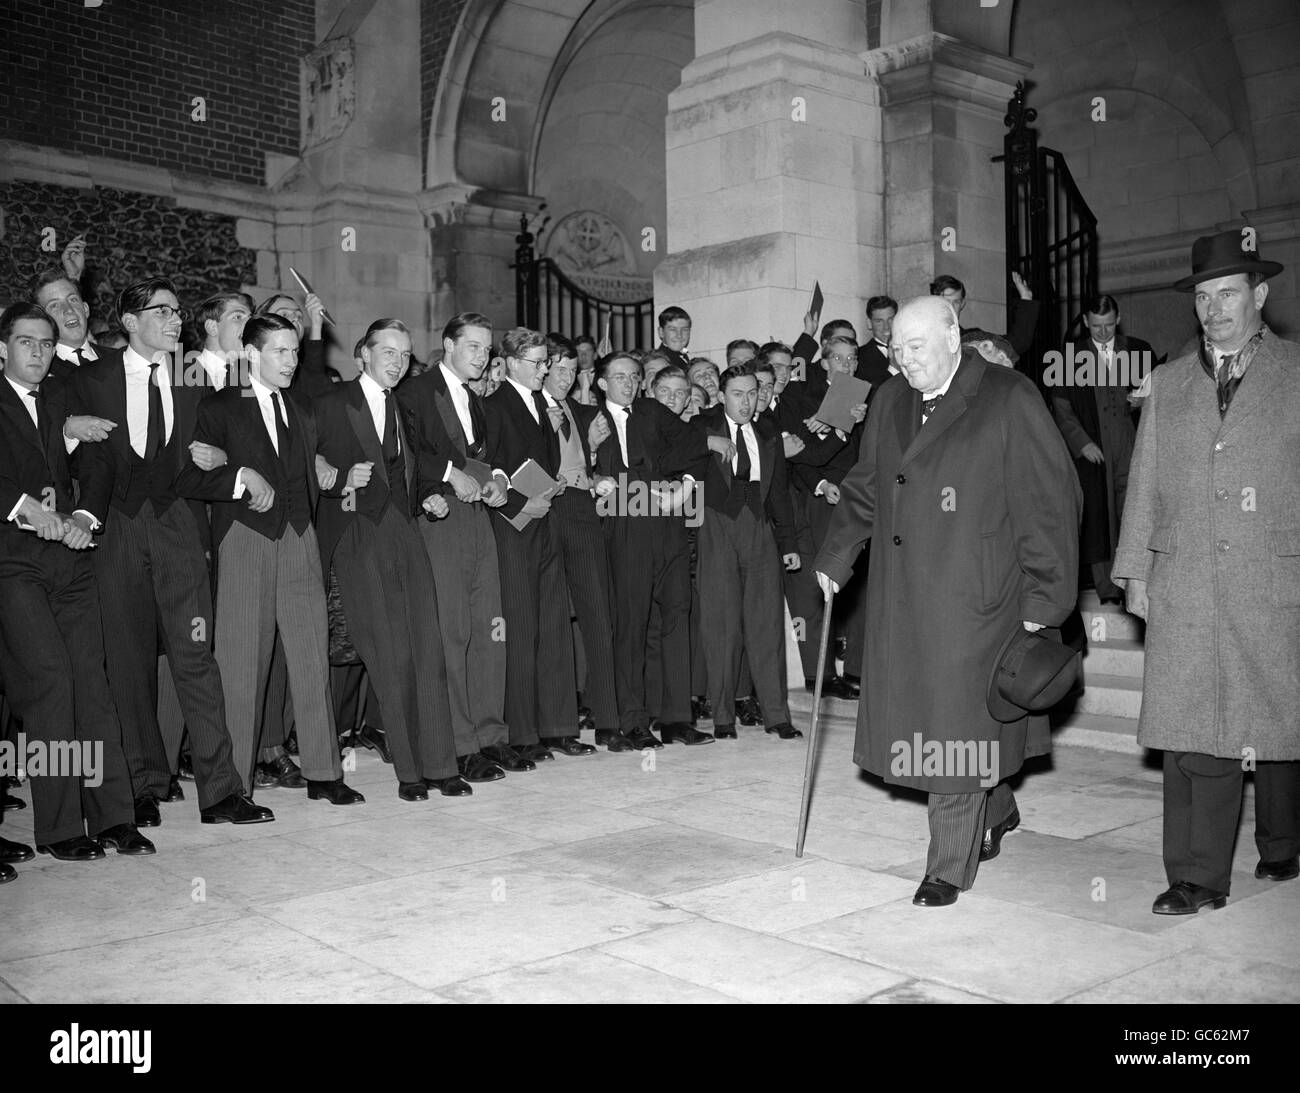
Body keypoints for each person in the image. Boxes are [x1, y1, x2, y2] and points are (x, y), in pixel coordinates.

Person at [815, 295, 1080, 907]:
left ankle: (946, 867)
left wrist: (1047, 598)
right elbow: (866, 486)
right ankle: (1000, 806)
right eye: (897, 350)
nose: (906, 361)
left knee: (954, 727)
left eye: (917, 347)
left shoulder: (1008, 396)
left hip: (979, 600)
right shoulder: (889, 400)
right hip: (906, 596)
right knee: (934, 726)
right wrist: (837, 558)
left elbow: (1049, 501)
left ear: (954, 336)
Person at [1114, 229, 1300, 913]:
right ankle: (1195, 876)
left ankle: (1281, 843)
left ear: (1259, 293)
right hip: (1186, 576)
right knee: (1192, 726)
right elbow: (1145, 483)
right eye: (1202, 295)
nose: (1214, 308)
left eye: (1227, 293)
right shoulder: (1167, 383)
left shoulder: (1296, 375)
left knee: (1277, 724)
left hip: (1273, 575)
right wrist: (1135, 569)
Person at [73, 277, 271, 827]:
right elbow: (53, 443)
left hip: (178, 528)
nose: (175, 319)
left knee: (195, 657)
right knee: (129, 662)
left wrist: (234, 475)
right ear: (130, 322)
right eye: (162, 312)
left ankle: (221, 791)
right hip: (115, 530)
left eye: (178, 311)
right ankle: (140, 785)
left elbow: (201, 462)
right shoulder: (92, 378)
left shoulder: (193, 382)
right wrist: (68, 427)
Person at [175, 314, 362, 806]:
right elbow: (188, 479)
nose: (291, 360)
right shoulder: (217, 406)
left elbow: (307, 470)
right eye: (280, 351)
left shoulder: (300, 407)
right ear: (251, 354)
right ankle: (231, 787)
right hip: (246, 538)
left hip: (301, 538)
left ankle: (324, 772)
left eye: (295, 351)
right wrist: (240, 476)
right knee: (241, 665)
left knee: (310, 657)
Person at [0, 302, 149, 866]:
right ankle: (60, 827)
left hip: (72, 558)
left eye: (45, 343)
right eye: (25, 342)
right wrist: (26, 511)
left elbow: (103, 460)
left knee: (92, 683)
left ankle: (115, 818)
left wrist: (86, 517)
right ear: (3, 348)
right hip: (14, 562)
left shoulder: (65, 396)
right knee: (49, 681)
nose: (38, 353)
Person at [313, 318, 464, 800]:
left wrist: (431, 497)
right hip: (357, 532)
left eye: (405, 355)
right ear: (363, 354)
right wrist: (335, 477)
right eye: (388, 353)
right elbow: (300, 457)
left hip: (404, 530)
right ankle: (410, 773)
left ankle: (442, 764)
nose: (398, 363)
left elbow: (416, 472)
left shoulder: (406, 408)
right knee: (390, 655)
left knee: (428, 648)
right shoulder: (332, 402)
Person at [592, 351, 717, 746]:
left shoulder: (649, 410)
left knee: (678, 613)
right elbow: (573, 466)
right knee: (632, 622)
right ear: (601, 383)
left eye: (634, 377)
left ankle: (677, 717)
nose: (628, 384)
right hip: (624, 521)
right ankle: (633, 719)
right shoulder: (586, 418)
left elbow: (694, 445)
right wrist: (594, 462)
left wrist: (684, 485)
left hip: (667, 521)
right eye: (619, 377)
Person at [483, 328, 592, 760]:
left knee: (553, 624)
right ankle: (522, 733)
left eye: (546, 362)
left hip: (546, 520)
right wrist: (522, 504)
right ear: (511, 362)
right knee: (522, 628)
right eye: (538, 362)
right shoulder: (492, 405)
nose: (544, 369)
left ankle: (559, 726)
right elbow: (489, 464)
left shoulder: (543, 405)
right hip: (514, 526)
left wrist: (545, 496)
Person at [688, 364, 801, 740]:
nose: (746, 401)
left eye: (753, 393)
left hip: (760, 528)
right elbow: (671, 459)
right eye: (737, 394)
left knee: (767, 624)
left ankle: (776, 715)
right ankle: (722, 716)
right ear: (721, 396)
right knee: (721, 625)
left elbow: (781, 492)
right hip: (717, 525)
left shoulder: (770, 431)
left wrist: (788, 544)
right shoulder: (700, 426)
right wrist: (705, 443)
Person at [538, 337, 626, 750]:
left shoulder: (584, 412)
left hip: (580, 508)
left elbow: (588, 462)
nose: (564, 377)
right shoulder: (529, 407)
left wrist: (593, 471)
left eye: (571, 371)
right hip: (545, 506)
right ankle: (558, 727)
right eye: (556, 368)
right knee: (554, 619)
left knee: (599, 611)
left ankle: (609, 720)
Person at [1052, 295, 1155, 603]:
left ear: (1118, 319)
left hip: (1131, 440)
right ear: (1086, 322)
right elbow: (1061, 407)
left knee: (1135, 512)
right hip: (1093, 447)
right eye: (1096, 326)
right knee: (1099, 517)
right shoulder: (1068, 357)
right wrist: (1081, 442)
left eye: (1109, 325)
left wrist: (1144, 400)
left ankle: (1138, 581)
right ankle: (1108, 588)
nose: (1103, 332)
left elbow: (1160, 393)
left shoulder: (1138, 350)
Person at [929, 272, 1039, 360]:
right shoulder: (919, 333)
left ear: (962, 304)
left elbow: (1017, 343)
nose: (951, 306)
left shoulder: (971, 339)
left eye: (956, 302)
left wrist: (1026, 298)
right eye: (946, 301)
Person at [655, 307, 692, 371]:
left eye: (684, 329)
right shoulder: (661, 363)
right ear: (661, 332)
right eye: (673, 329)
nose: (679, 335)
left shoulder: (681, 356)